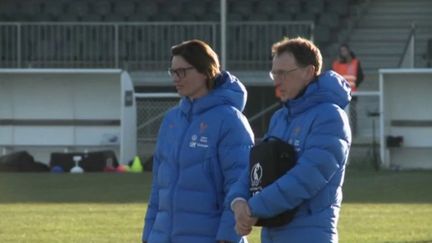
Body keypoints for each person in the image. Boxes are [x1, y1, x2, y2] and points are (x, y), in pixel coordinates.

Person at [227, 37, 352, 243]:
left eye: (283, 73)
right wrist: (238, 201)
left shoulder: (331, 117)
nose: (277, 80)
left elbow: (307, 178)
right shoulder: (281, 117)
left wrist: (253, 207)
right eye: (274, 73)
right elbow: (258, 166)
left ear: (309, 72)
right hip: (274, 234)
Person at [142, 39, 254, 243]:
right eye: (173, 72)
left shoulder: (230, 121)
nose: (176, 78)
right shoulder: (171, 120)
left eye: (182, 72)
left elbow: (239, 184)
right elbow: (159, 188)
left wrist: (228, 238)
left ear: (205, 71)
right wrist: (149, 235)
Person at [332, 44, 364, 135]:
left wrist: (354, 84)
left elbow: (361, 76)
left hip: (352, 93)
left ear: (348, 51)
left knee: (352, 114)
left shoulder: (355, 62)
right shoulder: (336, 64)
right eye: (342, 51)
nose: (343, 53)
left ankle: (354, 133)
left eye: (345, 50)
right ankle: (342, 132)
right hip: (339, 94)